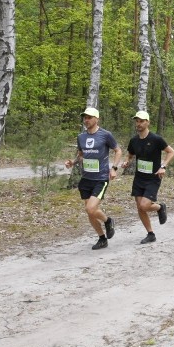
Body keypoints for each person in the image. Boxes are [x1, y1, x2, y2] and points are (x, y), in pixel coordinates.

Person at [65, 107, 122, 250]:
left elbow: (118, 150)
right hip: (86, 179)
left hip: (100, 178)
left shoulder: (105, 135)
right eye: (85, 117)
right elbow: (81, 155)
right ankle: (102, 238)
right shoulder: (81, 137)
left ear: (97, 119)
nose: (86, 120)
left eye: (89, 117)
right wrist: (73, 162)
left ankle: (108, 221)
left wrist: (114, 168)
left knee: (91, 208)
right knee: (89, 211)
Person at [122, 110, 174, 244]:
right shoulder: (134, 140)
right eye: (137, 121)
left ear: (148, 122)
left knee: (145, 205)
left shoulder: (156, 139)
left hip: (153, 177)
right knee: (140, 207)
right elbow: (130, 154)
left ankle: (159, 207)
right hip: (139, 177)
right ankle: (150, 233)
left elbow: (171, 152)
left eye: (142, 121)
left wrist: (163, 166)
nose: (139, 124)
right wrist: (127, 161)